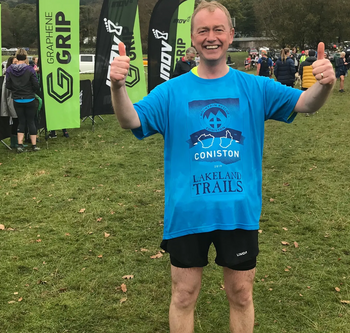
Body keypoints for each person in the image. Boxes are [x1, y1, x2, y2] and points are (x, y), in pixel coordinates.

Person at [108, 1, 335, 331]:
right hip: (188, 212)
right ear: (193, 37)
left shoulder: (254, 86)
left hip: (238, 211)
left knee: (241, 294)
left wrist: (323, 85)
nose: (210, 37)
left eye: (217, 30)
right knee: (184, 295)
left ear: (230, 35)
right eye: (203, 30)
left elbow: (304, 103)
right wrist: (117, 87)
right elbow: (130, 119)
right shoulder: (171, 91)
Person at [6, 51, 40, 153]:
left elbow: (8, 85)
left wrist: (16, 90)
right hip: (29, 98)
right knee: (31, 121)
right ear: (25, 57)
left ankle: (19, 144)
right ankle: (34, 145)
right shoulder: (29, 69)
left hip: (17, 98)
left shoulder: (10, 69)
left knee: (21, 121)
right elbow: (36, 84)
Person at [0, 56, 19, 148]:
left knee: (18, 121)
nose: (16, 64)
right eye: (14, 62)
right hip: (12, 100)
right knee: (15, 121)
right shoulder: (8, 74)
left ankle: (18, 140)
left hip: (18, 99)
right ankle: (14, 141)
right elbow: (6, 90)